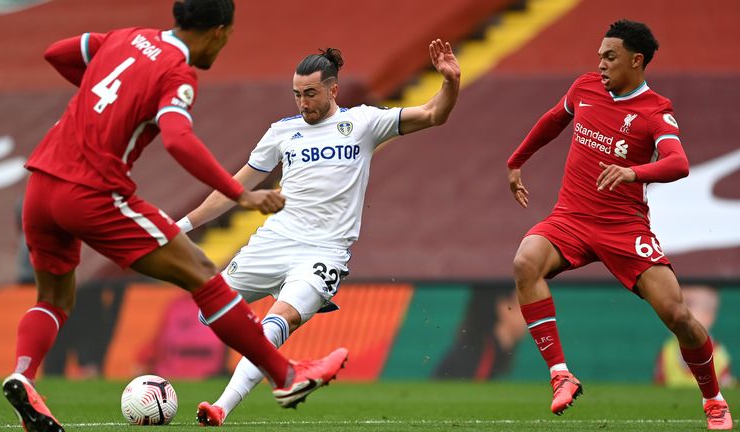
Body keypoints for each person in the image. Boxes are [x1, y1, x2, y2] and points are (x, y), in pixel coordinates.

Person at [2, 1, 347, 431]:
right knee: (203, 272)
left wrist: (102, 101)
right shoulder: (176, 72)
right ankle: (287, 376)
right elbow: (179, 141)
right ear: (218, 32)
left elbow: (57, 52)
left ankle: (23, 375)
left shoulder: (127, 37)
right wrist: (240, 195)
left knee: (52, 300)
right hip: (91, 192)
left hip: (40, 185)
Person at [177, 40, 460, 426]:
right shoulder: (281, 132)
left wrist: (451, 83)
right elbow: (234, 189)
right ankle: (285, 369)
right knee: (209, 313)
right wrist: (183, 225)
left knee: (281, 319)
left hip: (324, 251)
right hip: (274, 240)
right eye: (297, 95)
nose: (303, 103)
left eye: (310, 94)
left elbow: (432, 114)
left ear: (332, 90)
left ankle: (221, 407)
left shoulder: (362, 123)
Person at [506, 19, 732, 430]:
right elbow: (554, 120)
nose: (601, 65)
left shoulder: (655, 111)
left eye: (610, 57)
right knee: (525, 262)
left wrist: (634, 173)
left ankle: (714, 399)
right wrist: (517, 160)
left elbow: (678, 163)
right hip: (571, 218)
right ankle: (560, 373)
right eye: (599, 57)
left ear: (636, 60)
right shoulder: (585, 88)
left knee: (678, 315)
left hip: (624, 229)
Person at [655, 285, 734, 388]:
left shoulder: (719, 356)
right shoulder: (667, 351)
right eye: (675, 304)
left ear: (708, 315)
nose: (680, 311)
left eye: (688, 303)